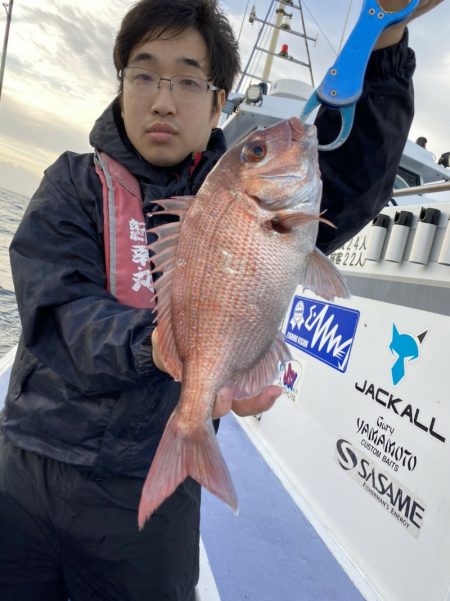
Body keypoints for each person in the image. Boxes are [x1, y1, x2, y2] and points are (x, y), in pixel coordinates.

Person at [0, 0, 444, 599]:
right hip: (26, 470)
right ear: (121, 83)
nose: (163, 99)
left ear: (216, 104)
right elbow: (56, 311)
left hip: (147, 500)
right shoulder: (74, 183)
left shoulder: (253, 198)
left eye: (188, 80)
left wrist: (385, 37)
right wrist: (158, 344)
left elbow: (359, 179)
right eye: (145, 73)